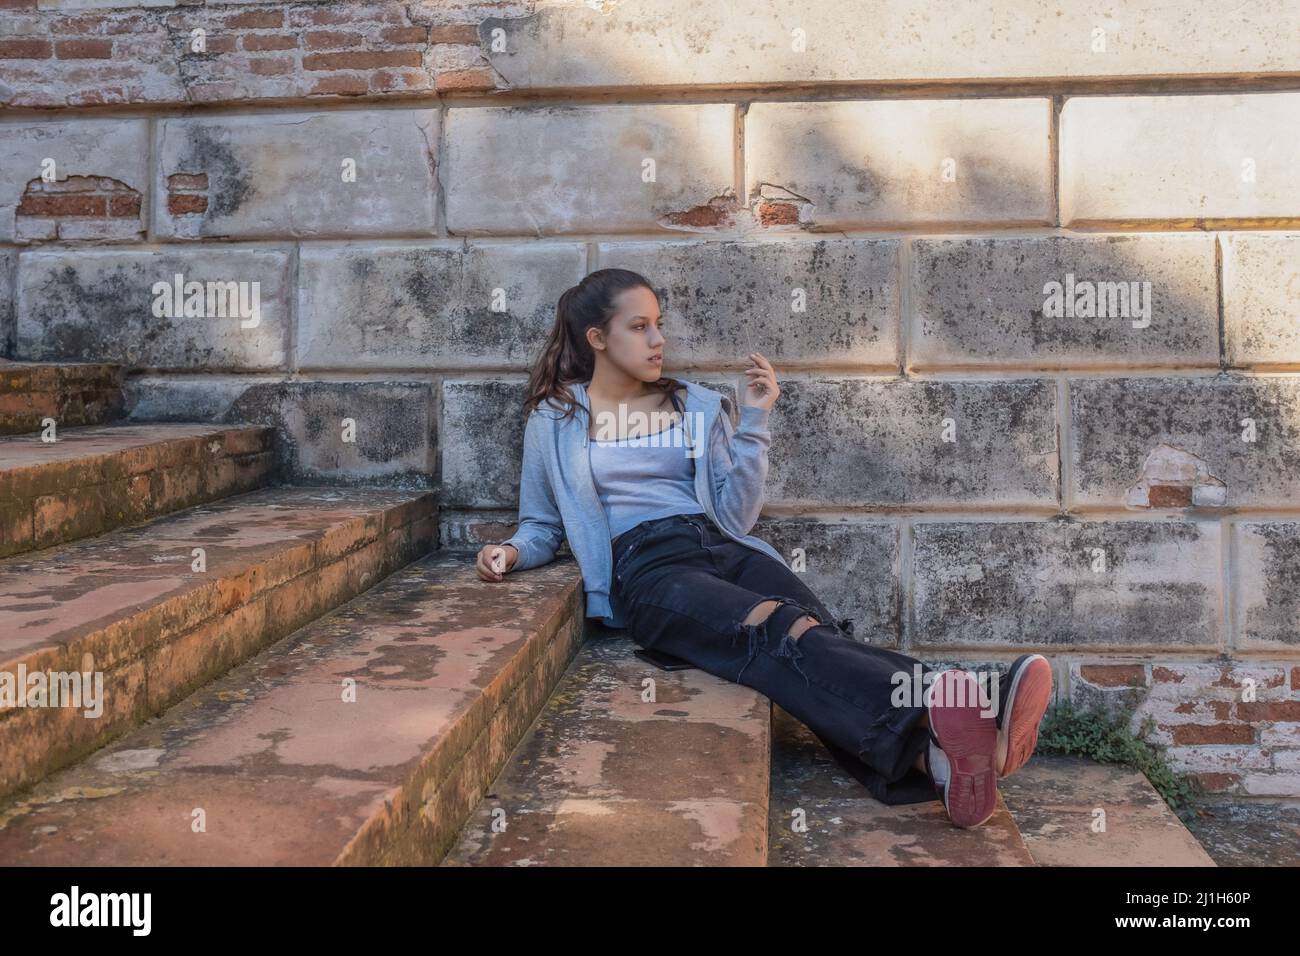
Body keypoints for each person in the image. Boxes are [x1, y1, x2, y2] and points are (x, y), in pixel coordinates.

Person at [475, 268, 1052, 828]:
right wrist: (512, 552)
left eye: (659, 324)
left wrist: (755, 419)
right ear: (597, 339)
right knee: (776, 628)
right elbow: (543, 524)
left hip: (721, 542)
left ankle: (939, 763)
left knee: (817, 630)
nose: (658, 340)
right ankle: (973, 704)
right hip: (647, 564)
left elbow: (733, 514)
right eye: (639, 327)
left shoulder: (693, 406)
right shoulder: (557, 418)